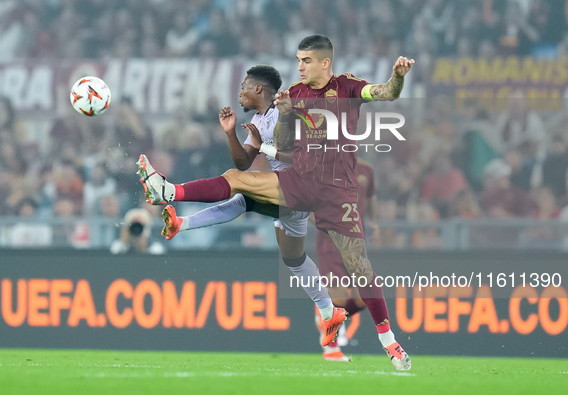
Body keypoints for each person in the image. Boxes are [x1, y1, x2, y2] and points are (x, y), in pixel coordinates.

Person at [138, 35, 414, 370]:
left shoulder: (347, 87)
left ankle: (390, 343)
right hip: (300, 181)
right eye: (298, 59)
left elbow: (386, 92)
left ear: (325, 62)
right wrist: (284, 115)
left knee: (360, 267)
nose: (299, 66)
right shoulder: (294, 95)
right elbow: (284, 142)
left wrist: (398, 76)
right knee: (244, 192)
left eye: (306, 60)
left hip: (338, 192)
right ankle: (170, 194)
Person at [159, 65, 347, 349]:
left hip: (305, 186)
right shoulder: (259, 121)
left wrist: (266, 148)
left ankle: (170, 191)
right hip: (288, 198)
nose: (240, 92)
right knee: (292, 259)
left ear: (259, 89)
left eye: (244, 85)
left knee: (236, 184)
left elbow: (305, 158)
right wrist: (231, 133)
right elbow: (244, 162)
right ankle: (329, 312)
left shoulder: (288, 112)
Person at [313, 157, 381, 361]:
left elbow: (370, 196)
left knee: (364, 296)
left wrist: (374, 222)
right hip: (330, 241)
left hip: (356, 242)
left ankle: (326, 319)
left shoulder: (367, 169)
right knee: (338, 296)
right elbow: (305, 206)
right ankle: (331, 348)